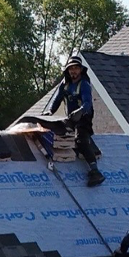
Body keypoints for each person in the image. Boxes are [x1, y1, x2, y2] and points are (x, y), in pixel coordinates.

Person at [43, 54, 105, 186]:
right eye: (71, 68)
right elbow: (57, 100)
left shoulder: (84, 84)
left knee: (80, 139)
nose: (73, 71)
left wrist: (80, 111)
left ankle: (95, 171)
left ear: (81, 70)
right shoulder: (65, 84)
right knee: (58, 133)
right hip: (70, 118)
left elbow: (87, 103)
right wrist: (49, 112)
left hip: (83, 118)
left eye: (76, 68)